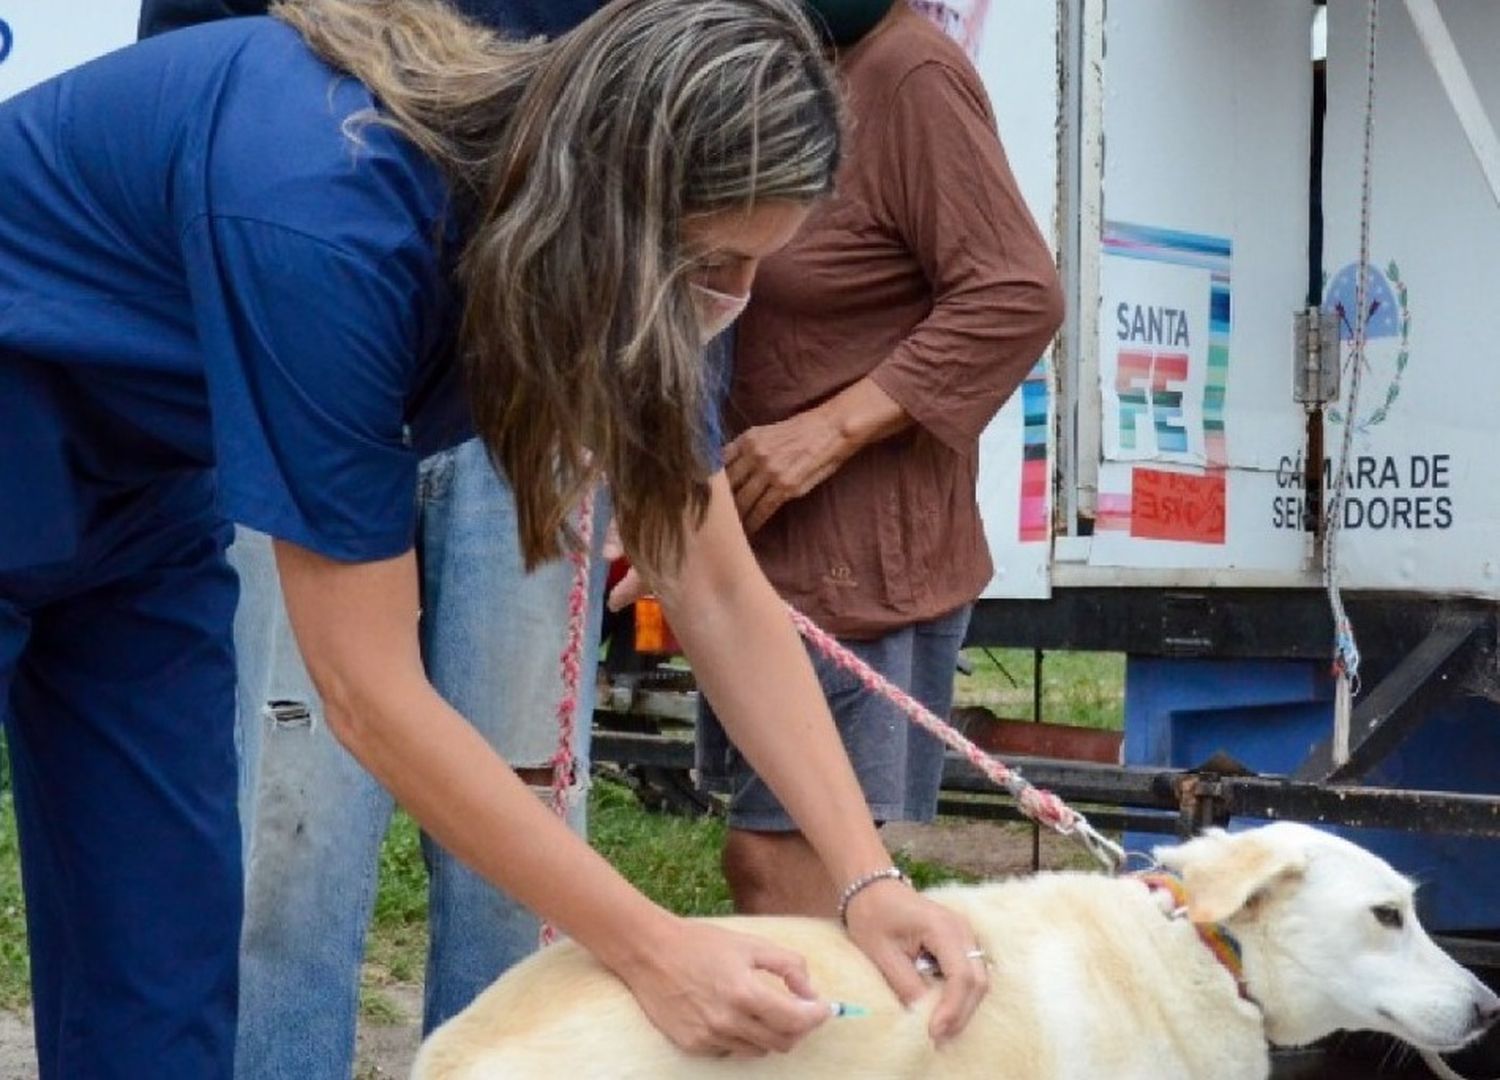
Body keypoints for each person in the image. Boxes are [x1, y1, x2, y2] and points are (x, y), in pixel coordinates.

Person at [0, 2, 988, 1076]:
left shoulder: (626, 247)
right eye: (713, 263)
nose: (730, 301)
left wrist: (866, 881)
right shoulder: (328, 210)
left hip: (135, 498)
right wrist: (653, 947)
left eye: (759, 267)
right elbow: (366, 691)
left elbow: (710, 576)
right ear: (607, 210)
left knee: (162, 959)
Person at [134, 3, 614, 1075]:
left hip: (526, 359)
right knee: (288, 820)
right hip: (310, 322)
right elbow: (187, 80)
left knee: (524, 816)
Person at [695, 0, 1065, 915]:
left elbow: (1016, 293)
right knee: (782, 867)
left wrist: (827, 432)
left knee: (783, 867)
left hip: (859, 554)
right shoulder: (782, 57)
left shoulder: (910, 74)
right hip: (758, 541)